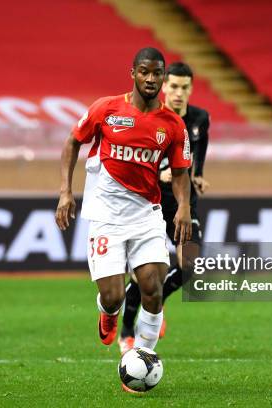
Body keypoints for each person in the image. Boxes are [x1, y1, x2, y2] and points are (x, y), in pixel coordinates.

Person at [55, 47, 192, 371]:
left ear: (162, 77)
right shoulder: (106, 109)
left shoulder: (172, 125)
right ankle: (108, 312)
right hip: (105, 216)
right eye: (144, 71)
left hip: (146, 215)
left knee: (152, 289)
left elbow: (181, 172)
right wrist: (65, 192)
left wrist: (183, 206)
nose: (150, 78)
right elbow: (73, 141)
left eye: (156, 73)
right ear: (133, 73)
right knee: (114, 295)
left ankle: (141, 359)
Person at [118, 62, 211, 353]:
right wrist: (160, 174)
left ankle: (157, 302)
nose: (178, 93)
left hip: (184, 204)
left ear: (191, 89)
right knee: (146, 275)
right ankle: (127, 331)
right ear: (163, 86)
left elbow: (199, 150)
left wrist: (197, 175)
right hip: (154, 203)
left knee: (190, 266)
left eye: (184, 87)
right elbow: (135, 160)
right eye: (173, 86)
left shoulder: (199, 118)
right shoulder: (152, 118)